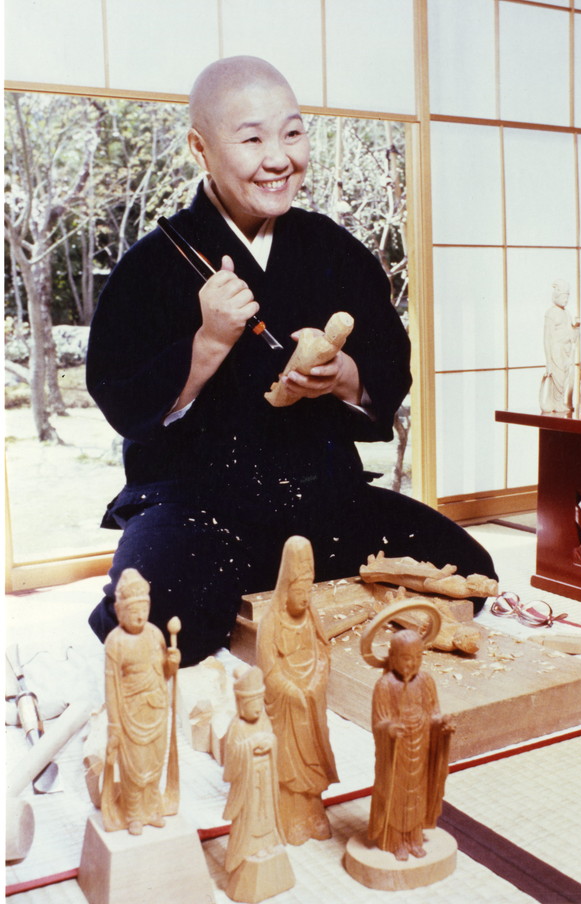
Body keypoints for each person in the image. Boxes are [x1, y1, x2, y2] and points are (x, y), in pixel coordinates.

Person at [86, 55, 498, 667]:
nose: (279, 158)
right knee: (157, 624)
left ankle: (260, 593)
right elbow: (120, 394)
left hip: (318, 496)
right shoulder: (153, 263)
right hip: (199, 505)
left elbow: (388, 362)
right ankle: (238, 590)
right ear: (201, 148)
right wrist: (209, 343)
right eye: (252, 139)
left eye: (293, 133)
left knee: (467, 571)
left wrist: (342, 377)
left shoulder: (334, 249)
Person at [256, 535, 338, 845]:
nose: (305, 598)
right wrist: (290, 690)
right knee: (289, 762)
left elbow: (324, 652)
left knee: (313, 758)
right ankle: (291, 816)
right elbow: (268, 669)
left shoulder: (311, 617)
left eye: (309, 590)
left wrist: (316, 682)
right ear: (285, 590)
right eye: (299, 591)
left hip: (311, 703)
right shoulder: (270, 623)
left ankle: (314, 812)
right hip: (287, 706)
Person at [101, 568, 181, 835]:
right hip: (130, 713)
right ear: (119, 611)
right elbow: (111, 688)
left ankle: (152, 808)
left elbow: (164, 674)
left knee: (154, 763)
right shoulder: (115, 642)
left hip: (156, 709)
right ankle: (134, 813)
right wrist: (114, 725)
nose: (139, 616)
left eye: (144, 609)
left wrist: (172, 663)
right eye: (133, 610)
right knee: (133, 767)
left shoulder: (155, 634)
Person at [368, 629, 448, 861]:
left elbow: (433, 712)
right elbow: (379, 721)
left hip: (421, 747)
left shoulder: (425, 681)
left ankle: (413, 838)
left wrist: (440, 723)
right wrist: (390, 729)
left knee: (417, 793)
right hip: (396, 752)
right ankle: (395, 841)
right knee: (396, 793)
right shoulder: (385, 685)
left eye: (417, 657)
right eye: (405, 658)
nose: (412, 663)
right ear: (392, 657)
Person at [223, 665, 294, 900]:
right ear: (241, 704)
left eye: (259, 703)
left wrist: (269, 742)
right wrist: (250, 746)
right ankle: (252, 849)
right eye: (251, 705)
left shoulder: (263, 719)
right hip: (249, 781)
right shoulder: (237, 727)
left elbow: (272, 738)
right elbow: (232, 756)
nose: (256, 709)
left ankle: (267, 844)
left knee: (267, 812)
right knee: (252, 814)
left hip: (265, 776)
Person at [543, 279, 580, 413]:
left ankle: (559, 402)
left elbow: (573, 337)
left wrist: (577, 327)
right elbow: (547, 338)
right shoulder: (551, 313)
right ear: (557, 296)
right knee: (557, 377)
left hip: (566, 351)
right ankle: (554, 403)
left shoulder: (567, 313)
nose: (566, 300)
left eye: (567, 297)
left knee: (564, 378)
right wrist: (548, 361)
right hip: (556, 351)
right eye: (564, 296)